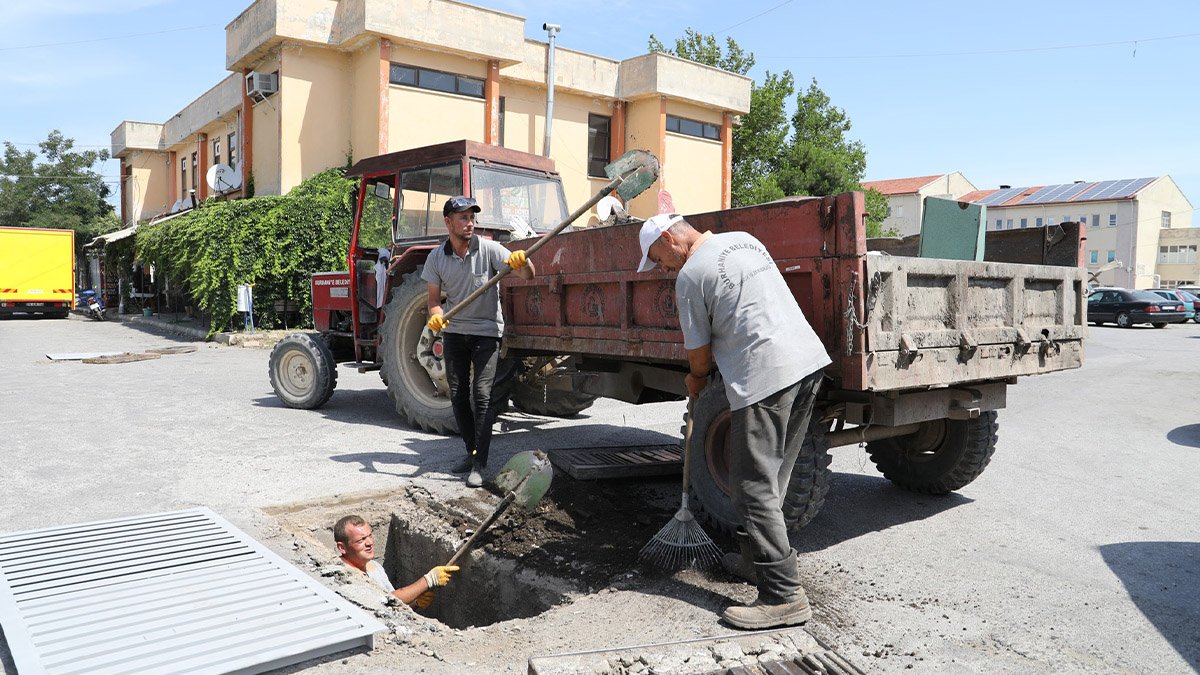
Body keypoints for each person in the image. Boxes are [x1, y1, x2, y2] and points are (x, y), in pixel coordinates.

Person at [637, 213, 831, 631]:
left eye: (657, 259)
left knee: (750, 486)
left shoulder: (689, 278)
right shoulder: (742, 240)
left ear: (670, 238)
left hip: (766, 376)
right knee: (772, 477)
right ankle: (755, 559)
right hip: (807, 363)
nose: (661, 269)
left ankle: (783, 597)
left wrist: (695, 380)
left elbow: (700, 356)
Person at [423, 196, 536, 488]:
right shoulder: (436, 258)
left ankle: (479, 462)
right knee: (458, 395)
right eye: (463, 217)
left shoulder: (489, 249)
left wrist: (522, 263)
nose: (470, 222)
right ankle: (471, 451)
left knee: (482, 395)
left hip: (487, 332)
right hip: (455, 332)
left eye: (472, 216)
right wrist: (435, 317)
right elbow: (434, 302)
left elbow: (528, 275)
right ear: (448, 223)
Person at [334, 514, 458, 608]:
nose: (370, 543)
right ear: (342, 548)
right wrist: (429, 580)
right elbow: (386, 599)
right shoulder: (346, 578)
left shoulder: (374, 566)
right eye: (360, 540)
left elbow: (390, 608)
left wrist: (415, 604)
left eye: (370, 536)